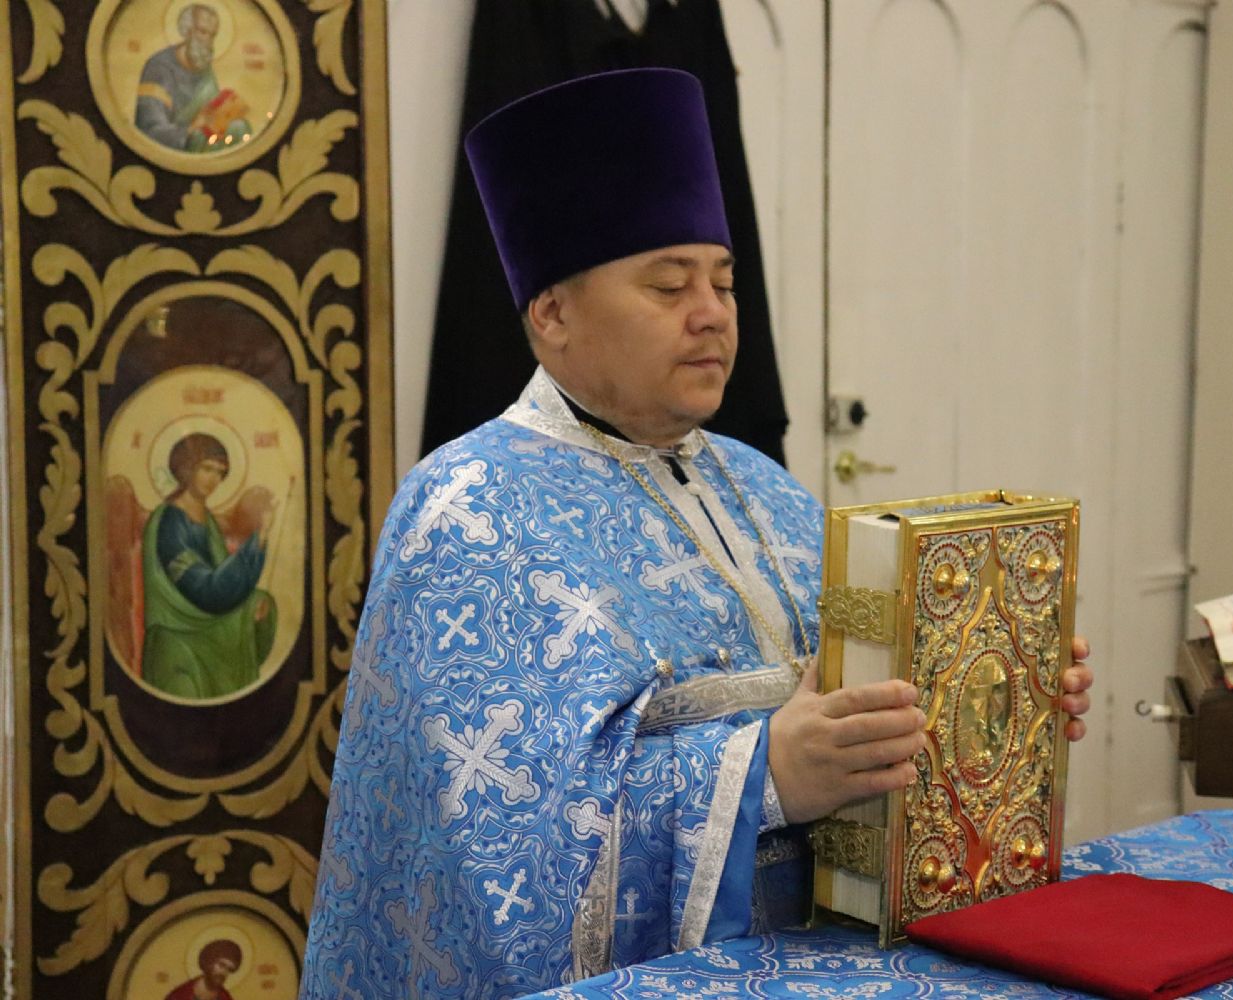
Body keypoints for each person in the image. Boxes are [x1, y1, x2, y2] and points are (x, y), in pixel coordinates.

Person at [299, 68, 1094, 998]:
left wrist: (991, 691)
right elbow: (503, 855)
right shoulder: (467, 511)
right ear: (552, 313)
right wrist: (767, 776)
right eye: (669, 284)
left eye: (723, 281)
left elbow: (860, 692)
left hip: (832, 965)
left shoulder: (764, 486)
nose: (712, 311)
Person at [142, 432, 276, 699]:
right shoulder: (171, 523)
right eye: (206, 468)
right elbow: (207, 590)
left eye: (220, 472)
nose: (213, 479)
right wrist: (257, 541)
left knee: (263, 603)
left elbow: (222, 579)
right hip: (178, 632)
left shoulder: (209, 522)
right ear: (186, 468)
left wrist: (253, 602)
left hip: (205, 625)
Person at [135, 3, 252, 153]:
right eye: (202, 32)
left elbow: (211, 111)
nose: (208, 41)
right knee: (199, 137)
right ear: (187, 31)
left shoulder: (203, 66)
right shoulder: (159, 68)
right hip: (172, 150)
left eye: (212, 35)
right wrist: (190, 128)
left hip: (201, 139)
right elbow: (149, 131)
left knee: (239, 127)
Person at [166, 938, 241, 1000]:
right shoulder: (181, 994)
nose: (223, 972)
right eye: (221, 965)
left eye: (229, 969)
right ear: (210, 961)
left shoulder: (225, 998)